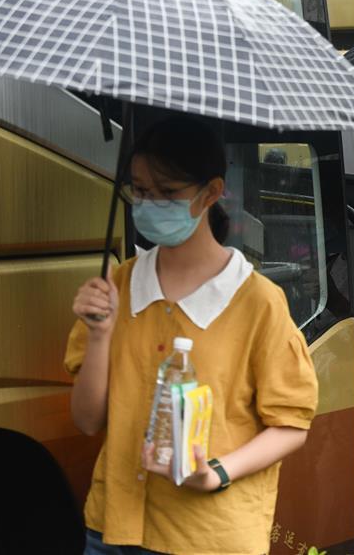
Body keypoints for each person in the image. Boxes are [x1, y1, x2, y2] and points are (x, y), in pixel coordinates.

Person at [67, 117, 318, 555]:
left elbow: (292, 425)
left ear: (211, 192)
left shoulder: (258, 301)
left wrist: (216, 472)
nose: (149, 204)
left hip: (210, 537)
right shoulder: (119, 287)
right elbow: (88, 420)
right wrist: (99, 335)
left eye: (167, 193)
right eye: (140, 190)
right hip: (112, 528)